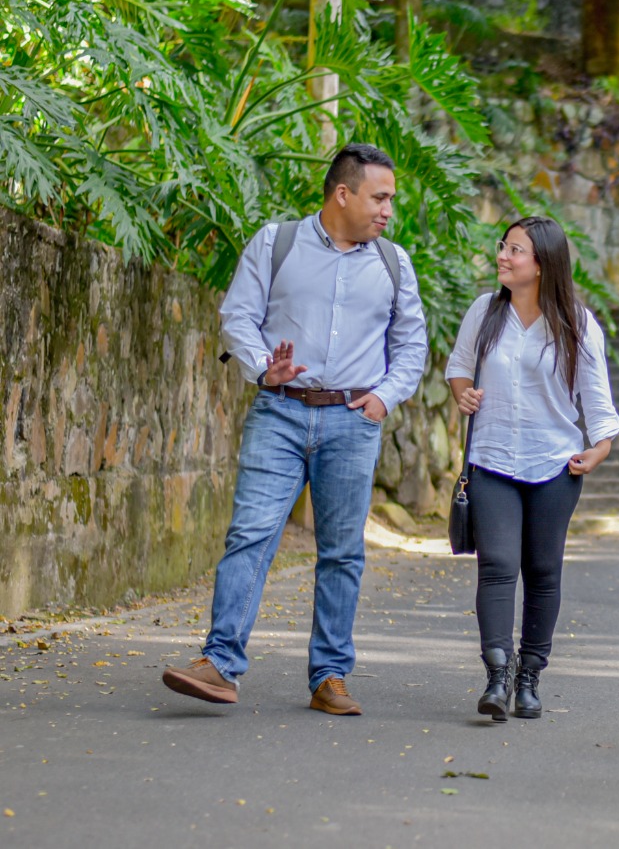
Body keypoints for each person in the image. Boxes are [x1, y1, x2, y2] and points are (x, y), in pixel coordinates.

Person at [161, 144, 427, 716]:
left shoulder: (393, 264)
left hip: (353, 421)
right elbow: (238, 315)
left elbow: (411, 346)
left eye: (391, 200)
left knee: (342, 552)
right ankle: (219, 664)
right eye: (379, 198)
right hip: (279, 412)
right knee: (251, 535)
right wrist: (264, 367)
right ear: (343, 194)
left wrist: (383, 398)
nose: (387, 211)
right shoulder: (276, 242)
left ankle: (329, 676)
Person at [446, 216, 619, 723]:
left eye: (515, 250)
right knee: (498, 565)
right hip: (493, 459)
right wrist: (465, 394)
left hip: (554, 465)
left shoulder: (578, 324)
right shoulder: (485, 312)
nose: (502, 255)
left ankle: (530, 678)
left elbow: (597, 400)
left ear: (543, 264)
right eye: (503, 246)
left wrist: (600, 448)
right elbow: (458, 366)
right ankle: (497, 676)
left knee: (543, 572)